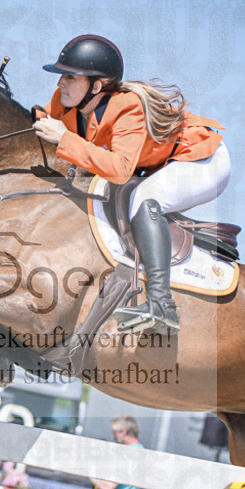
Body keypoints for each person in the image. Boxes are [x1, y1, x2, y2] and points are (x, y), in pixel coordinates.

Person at [34, 35, 231, 334]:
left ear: (96, 86)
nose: (61, 82)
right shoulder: (67, 103)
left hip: (201, 160)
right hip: (157, 164)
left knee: (144, 197)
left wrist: (64, 139)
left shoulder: (127, 108)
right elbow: (44, 120)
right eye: (62, 75)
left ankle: (161, 306)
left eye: (70, 76)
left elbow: (120, 170)